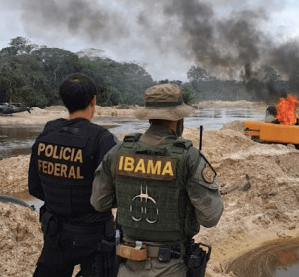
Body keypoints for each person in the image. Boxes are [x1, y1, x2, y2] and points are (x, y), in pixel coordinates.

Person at [90, 83, 224, 276]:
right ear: (178, 119)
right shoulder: (190, 157)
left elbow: (99, 202)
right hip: (171, 267)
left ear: (149, 116)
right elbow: (210, 217)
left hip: (127, 263)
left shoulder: (118, 152)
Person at [28, 73, 118, 277]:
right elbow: (113, 196)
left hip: (54, 231)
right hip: (94, 236)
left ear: (64, 101)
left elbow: (34, 187)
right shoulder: (103, 139)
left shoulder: (47, 134)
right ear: (93, 100)